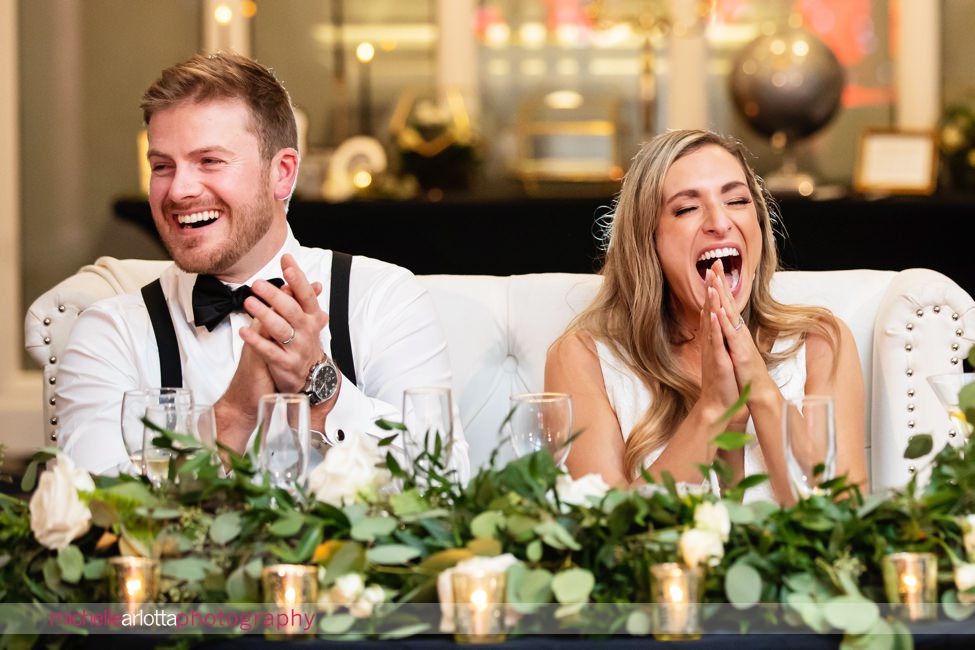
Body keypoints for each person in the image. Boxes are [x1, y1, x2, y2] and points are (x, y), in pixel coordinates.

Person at [55, 51, 469, 480]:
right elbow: (97, 514)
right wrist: (234, 414)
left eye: (209, 161)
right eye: (162, 166)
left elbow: (444, 484)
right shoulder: (109, 333)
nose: (178, 190)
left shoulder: (384, 299)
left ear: (282, 174)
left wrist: (320, 386)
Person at [545, 130, 865, 503]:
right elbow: (611, 539)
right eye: (686, 208)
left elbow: (843, 525)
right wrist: (713, 407)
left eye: (736, 200)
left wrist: (759, 388)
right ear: (647, 242)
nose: (720, 221)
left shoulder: (821, 342)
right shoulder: (583, 359)